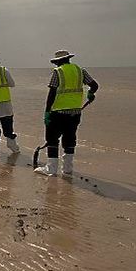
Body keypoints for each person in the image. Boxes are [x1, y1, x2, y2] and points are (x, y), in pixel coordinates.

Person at [34, 49, 99, 177]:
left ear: (58, 62)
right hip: (75, 112)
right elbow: (95, 85)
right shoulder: (80, 71)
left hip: (58, 112)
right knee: (70, 138)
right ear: (68, 59)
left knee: (52, 139)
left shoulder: (58, 72)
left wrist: (47, 112)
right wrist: (90, 94)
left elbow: (52, 93)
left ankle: (51, 169)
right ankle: (67, 169)